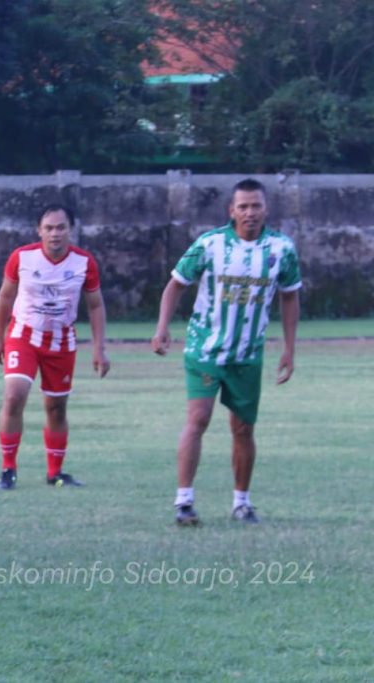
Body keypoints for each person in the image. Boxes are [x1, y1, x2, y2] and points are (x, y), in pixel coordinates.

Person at [152, 178, 301, 526]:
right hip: (205, 349)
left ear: (266, 209)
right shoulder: (210, 244)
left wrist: (289, 349)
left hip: (248, 355)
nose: (250, 212)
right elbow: (175, 284)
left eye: (256, 206)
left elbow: (290, 296)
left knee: (243, 430)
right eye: (243, 206)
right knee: (198, 418)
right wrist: (162, 327)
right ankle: (184, 501)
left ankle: (241, 503)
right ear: (231, 210)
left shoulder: (282, 249)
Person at [0, 204, 110, 490]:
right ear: (39, 231)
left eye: (61, 227)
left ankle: (54, 473)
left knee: (56, 408)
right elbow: (5, 297)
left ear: (71, 230)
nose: (55, 233)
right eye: (49, 228)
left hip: (61, 340)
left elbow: (95, 305)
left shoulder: (84, 262)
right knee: (14, 396)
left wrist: (99, 348)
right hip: (23, 335)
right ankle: (8, 469)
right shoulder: (22, 257)